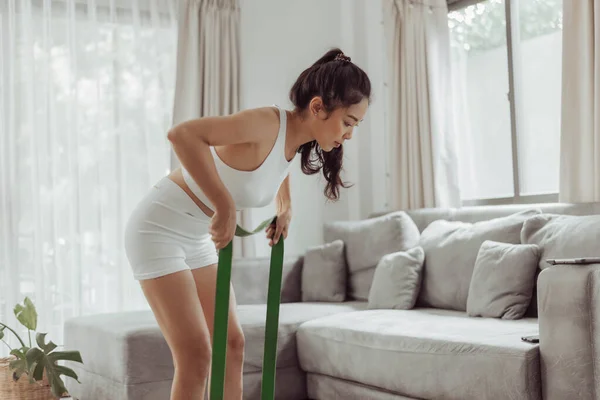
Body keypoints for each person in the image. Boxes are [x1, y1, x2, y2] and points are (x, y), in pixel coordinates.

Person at [123, 48, 371, 400]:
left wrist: (285, 207)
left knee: (232, 344)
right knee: (195, 354)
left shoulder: (295, 140)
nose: (349, 134)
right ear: (317, 107)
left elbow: (275, 168)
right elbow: (183, 135)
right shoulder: (267, 123)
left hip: (195, 238)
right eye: (348, 122)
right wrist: (224, 204)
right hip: (157, 229)